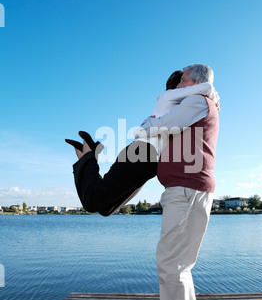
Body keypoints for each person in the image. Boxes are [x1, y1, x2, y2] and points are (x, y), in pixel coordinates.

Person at [65, 69, 220, 217]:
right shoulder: (169, 96)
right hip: (141, 152)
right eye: (182, 81)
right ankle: (88, 155)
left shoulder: (183, 109)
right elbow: (206, 87)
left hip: (150, 163)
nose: (183, 85)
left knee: (105, 208)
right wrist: (214, 97)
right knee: (92, 203)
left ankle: (89, 156)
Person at [141, 63, 219, 300]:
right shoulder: (202, 103)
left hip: (185, 190)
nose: (177, 85)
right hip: (193, 188)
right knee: (181, 261)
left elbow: (154, 128)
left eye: (182, 79)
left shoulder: (197, 101)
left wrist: (150, 120)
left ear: (196, 81)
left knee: (170, 261)